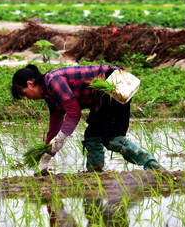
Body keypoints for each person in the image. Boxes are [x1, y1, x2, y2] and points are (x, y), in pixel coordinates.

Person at [11, 64, 163, 174]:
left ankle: (154, 167)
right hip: (104, 94)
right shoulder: (50, 96)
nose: (28, 99)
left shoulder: (53, 82)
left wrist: (62, 137)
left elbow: (74, 113)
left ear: (30, 84)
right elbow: (54, 128)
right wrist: (46, 156)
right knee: (92, 135)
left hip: (113, 83)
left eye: (25, 93)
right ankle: (95, 173)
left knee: (111, 137)